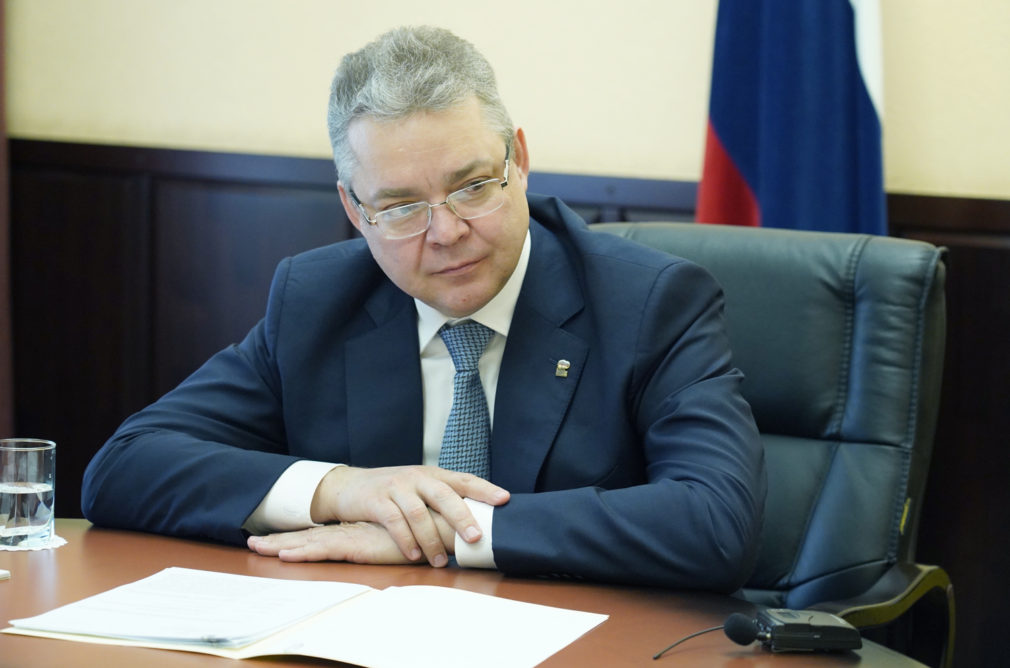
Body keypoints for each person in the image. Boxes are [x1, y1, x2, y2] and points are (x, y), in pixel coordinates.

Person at [82, 26, 765, 591]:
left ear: (520, 160)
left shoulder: (649, 303)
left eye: (473, 187)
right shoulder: (319, 300)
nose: (446, 232)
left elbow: (717, 521)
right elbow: (124, 467)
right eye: (402, 207)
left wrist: (447, 533)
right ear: (356, 210)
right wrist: (342, 491)